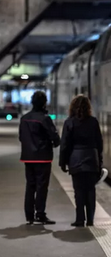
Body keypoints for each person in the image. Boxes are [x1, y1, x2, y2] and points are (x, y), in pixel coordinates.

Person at [59, 95, 103, 227]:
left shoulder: (69, 122)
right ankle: (90, 220)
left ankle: (79, 219)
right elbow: (99, 143)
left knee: (78, 190)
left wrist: (63, 162)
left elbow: (65, 144)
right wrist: (99, 161)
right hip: (91, 158)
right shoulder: (93, 122)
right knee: (90, 190)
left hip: (75, 158)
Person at [19, 91, 60, 225]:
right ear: (44, 103)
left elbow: (21, 137)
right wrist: (54, 142)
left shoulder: (24, 118)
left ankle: (29, 215)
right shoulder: (44, 118)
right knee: (42, 187)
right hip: (43, 157)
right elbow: (54, 137)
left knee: (30, 186)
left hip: (28, 157)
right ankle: (40, 214)